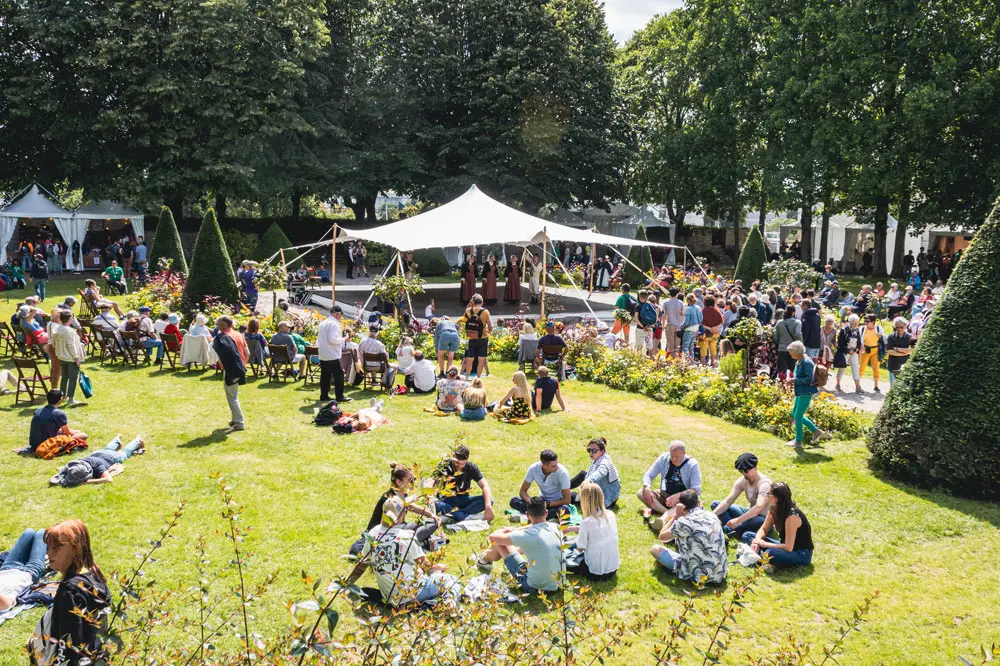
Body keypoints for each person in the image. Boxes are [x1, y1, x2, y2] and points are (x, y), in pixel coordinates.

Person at [26, 521, 111, 666]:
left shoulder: (69, 591)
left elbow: (70, 646)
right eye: (48, 548)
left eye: (57, 547)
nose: (49, 553)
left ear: (75, 547)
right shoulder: (95, 577)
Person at [347, 494, 456, 608]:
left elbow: (362, 565)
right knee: (452, 580)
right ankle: (448, 604)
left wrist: (346, 584)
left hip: (390, 597)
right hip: (411, 593)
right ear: (399, 516)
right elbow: (424, 565)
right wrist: (438, 566)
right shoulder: (406, 536)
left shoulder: (373, 534)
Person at [474, 497, 562, 594]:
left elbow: (492, 538)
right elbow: (540, 525)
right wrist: (518, 530)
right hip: (558, 586)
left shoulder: (526, 535)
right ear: (546, 512)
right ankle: (483, 561)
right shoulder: (556, 527)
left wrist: (509, 530)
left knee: (499, 545)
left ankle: (483, 561)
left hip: (535, 588)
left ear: (527, 515)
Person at [651, 490, 728, 584]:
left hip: (698, 576)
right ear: (699, 503)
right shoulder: (712, 516)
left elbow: (662, 537)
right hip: (719, 574)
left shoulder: (683, 522)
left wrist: (676, 517)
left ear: (680, 506)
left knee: (655, 549)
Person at [740, 482, 814, 568]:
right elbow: (764, 529)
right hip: (783, 545)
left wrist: (764, 544)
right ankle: (759, 556)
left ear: (776, 498)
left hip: (800, 553)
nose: (767, 496)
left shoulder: (792, 517)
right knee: (747, 535)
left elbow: (788, 547)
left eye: (769, 494)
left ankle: (757, 556)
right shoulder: (774, 510)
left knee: (770, 552)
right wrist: (757, 541)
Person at [638, 440, 703, 530]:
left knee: (686, 505)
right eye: (672, 456)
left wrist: (680, 495)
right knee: (641, 493)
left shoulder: (693, 464)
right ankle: (668, 513)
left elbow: (696, 490)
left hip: (683, 500)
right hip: (665, 496)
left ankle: (663, 519)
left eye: (677, 457)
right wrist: (647, 486)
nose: (674, 460)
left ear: (684, 453)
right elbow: (648, 475)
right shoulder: (663, 459)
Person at [565, 482, 619, 581]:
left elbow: (580, 548)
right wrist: (572, 529)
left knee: (567, 556)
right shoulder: (611, 515)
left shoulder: (587, 523)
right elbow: (596, 530)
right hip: (613, 569)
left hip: (595, 572)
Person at [711, 453, 772, 537]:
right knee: (715, 504)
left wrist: (738, 520)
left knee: (756, 521)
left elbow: (759, 507)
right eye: (741, 471)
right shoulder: (743, 481)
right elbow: (728, 501)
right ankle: (732, 529)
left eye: (746, 471)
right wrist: (711, 516)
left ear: (755, 467)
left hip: (763, 517)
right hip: (749, 512)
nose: (744, 474)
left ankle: (730, 528)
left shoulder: (764, 483)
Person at [435, 445, 495, 522]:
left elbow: (485, 486)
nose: (459, 466)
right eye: (457, 463)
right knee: (436, 505)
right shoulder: (444, 465)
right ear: (453, 456)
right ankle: (464, 515)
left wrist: (488, 507)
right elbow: (432, 480)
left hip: (463, 499)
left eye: (462, 464)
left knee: (489, 500)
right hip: (446, 500)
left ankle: (458, 515)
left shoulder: (471, 467)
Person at [787, 341, 829, 447]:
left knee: (798, 415)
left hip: (806, 392)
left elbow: (809, 379)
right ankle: (816, 432)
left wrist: (793, 380)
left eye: (791, 352)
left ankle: (798, 441)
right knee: (795, 414)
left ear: (797, 352)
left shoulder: (806, 362)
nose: (790, 354)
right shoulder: (800, 361)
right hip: (801, 391)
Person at [511, 449, 573, 520]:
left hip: (556, 503)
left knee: (565, 510)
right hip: (541, 501)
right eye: (553, 466)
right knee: (514, 500)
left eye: (557, 464)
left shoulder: (562, 472)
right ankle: (542, 516)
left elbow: (567, 500)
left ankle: (534, 516)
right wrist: (532, 502)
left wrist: (548, 504)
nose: (557, 467)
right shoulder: (533, 469)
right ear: (544, 466)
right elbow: (522, 491)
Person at [25, 390, 88, 454]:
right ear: (60, 401)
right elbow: (68, 433)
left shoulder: (38, 410)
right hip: (47, 445)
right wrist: (75, 432)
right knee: (83, 435)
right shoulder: (59, 413)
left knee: (70, 432)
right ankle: (66, 445)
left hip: (34, 445)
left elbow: (49, 427)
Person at [0, 528, 48, 611]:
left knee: (29, 532)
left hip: (7, 567)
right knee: (42, 533)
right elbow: (7, 605)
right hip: (30, 572)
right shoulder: (5, 604)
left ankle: (45, 553)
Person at [213, 316, 247, 431]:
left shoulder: (223, 337)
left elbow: (220, 356)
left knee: (232, 396)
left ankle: (239, 422)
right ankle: (235, 419)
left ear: (223, 325)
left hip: (230, 369)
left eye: (218, 324)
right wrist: (243, 365)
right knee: (233, 395)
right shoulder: (239, 335)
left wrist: (223, 367)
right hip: (240, 367)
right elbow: (247, 353)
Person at [569, 437, 620, 508]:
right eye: (589, 450)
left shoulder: (605, 463)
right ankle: (563, 488)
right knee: (583, 474)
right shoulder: (600, 458)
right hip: (606, 494)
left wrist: (587, 481)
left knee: (571, 496)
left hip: (606, 499)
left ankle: (563, 491)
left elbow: (600, 472)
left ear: (602, 451)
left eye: (594, 451)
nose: (590, 453)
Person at [52, 311, 86, 405]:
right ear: (69, 319)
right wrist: (76, 358)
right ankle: (70, 399)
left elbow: (54, 343)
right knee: (72, 378)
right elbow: (71, 345)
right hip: (70, 357)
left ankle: (63, 396)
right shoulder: (69, 331)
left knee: (64, 377)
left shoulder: (56, 329)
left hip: (61, 356)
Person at [318, 306, 350, 403]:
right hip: (331, 353)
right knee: (339, 375)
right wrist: (344, 339)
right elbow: (332, 340)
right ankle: (339, 396)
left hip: (323, 352)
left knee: (325, 375)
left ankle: (324, 395)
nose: (340, 317)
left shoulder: (323, 323)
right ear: (337, 314)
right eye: (340, 315)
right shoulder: (334, 324)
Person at [461, 294, 492, 379]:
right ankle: (478, 377)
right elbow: (490, 326)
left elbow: (464, 319)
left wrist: (470, 303)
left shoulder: (468, 310)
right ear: (482, 302)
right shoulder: (485, 311)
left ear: (473, 302)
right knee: (481, 359)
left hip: (472, 337)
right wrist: (489, 332)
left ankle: (467, 376)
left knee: (470, 359)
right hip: (482, 338)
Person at [834, 313, 863, 392]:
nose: (856, 323)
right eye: (854, 322)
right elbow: (840, 343)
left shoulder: (857, 330)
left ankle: (858, 387)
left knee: (855, 368)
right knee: (842, 368)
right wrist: (847, 351)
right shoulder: (844, 330)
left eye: (857, 322)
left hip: (854, 352)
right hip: (845, 352)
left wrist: (856, 349)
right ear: (851, 321)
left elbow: (859, 342)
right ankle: (838, 384)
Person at [773, 306, 802, 379]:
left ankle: (783, 384)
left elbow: (774, 334)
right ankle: (792, 384)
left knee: (782, 368)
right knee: (793, 367)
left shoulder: (779, 322)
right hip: (794, 349)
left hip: (782, 348)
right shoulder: (797, 322)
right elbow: (798, 334)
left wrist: (779, 342)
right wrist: (800, 344)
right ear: (793, 312)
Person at [885, 316, 914, 386]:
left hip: (905, 365)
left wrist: (896, 349)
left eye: (901, 327)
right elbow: (889, 351)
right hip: (893, 365)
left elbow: (910, 350)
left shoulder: (910, 337)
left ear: (905, 326)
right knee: (893, 386)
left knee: (904, 386)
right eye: (897, 327)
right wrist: (904, 353)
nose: (899, 329)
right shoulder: (891, 337)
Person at [859, 314, 883, 393]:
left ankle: (876, 386)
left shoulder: (879, 328)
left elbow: (883, 340)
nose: (865, 322)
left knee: (876, 369)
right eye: (865, 321)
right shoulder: (862, 329)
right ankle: (857, 384)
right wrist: (861, 347)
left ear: (873, 322)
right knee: (861, 368)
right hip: (865, 350)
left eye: (868, 321)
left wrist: (881, 337)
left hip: (875, 350)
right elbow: (859, 339)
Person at [699, 294, 724, 365]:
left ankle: (703, 363)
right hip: (715, 333)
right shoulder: (716, 310)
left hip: (704, 333)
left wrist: (709, 328)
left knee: (703, 349)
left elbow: (700, 321)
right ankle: (713, 363)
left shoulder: (703, 310)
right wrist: (714, 328)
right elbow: (721, 321)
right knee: (713, 348)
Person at [681, 293, 702, 358]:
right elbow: (701, 319)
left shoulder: (688, 309)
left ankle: (685, 362)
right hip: (696, 328)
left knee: (685, 347)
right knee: (691, 347)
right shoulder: (698, 307)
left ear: (688, 300)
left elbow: (686, 322)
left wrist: (681, 327)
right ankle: (692, 361)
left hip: (689, 328)